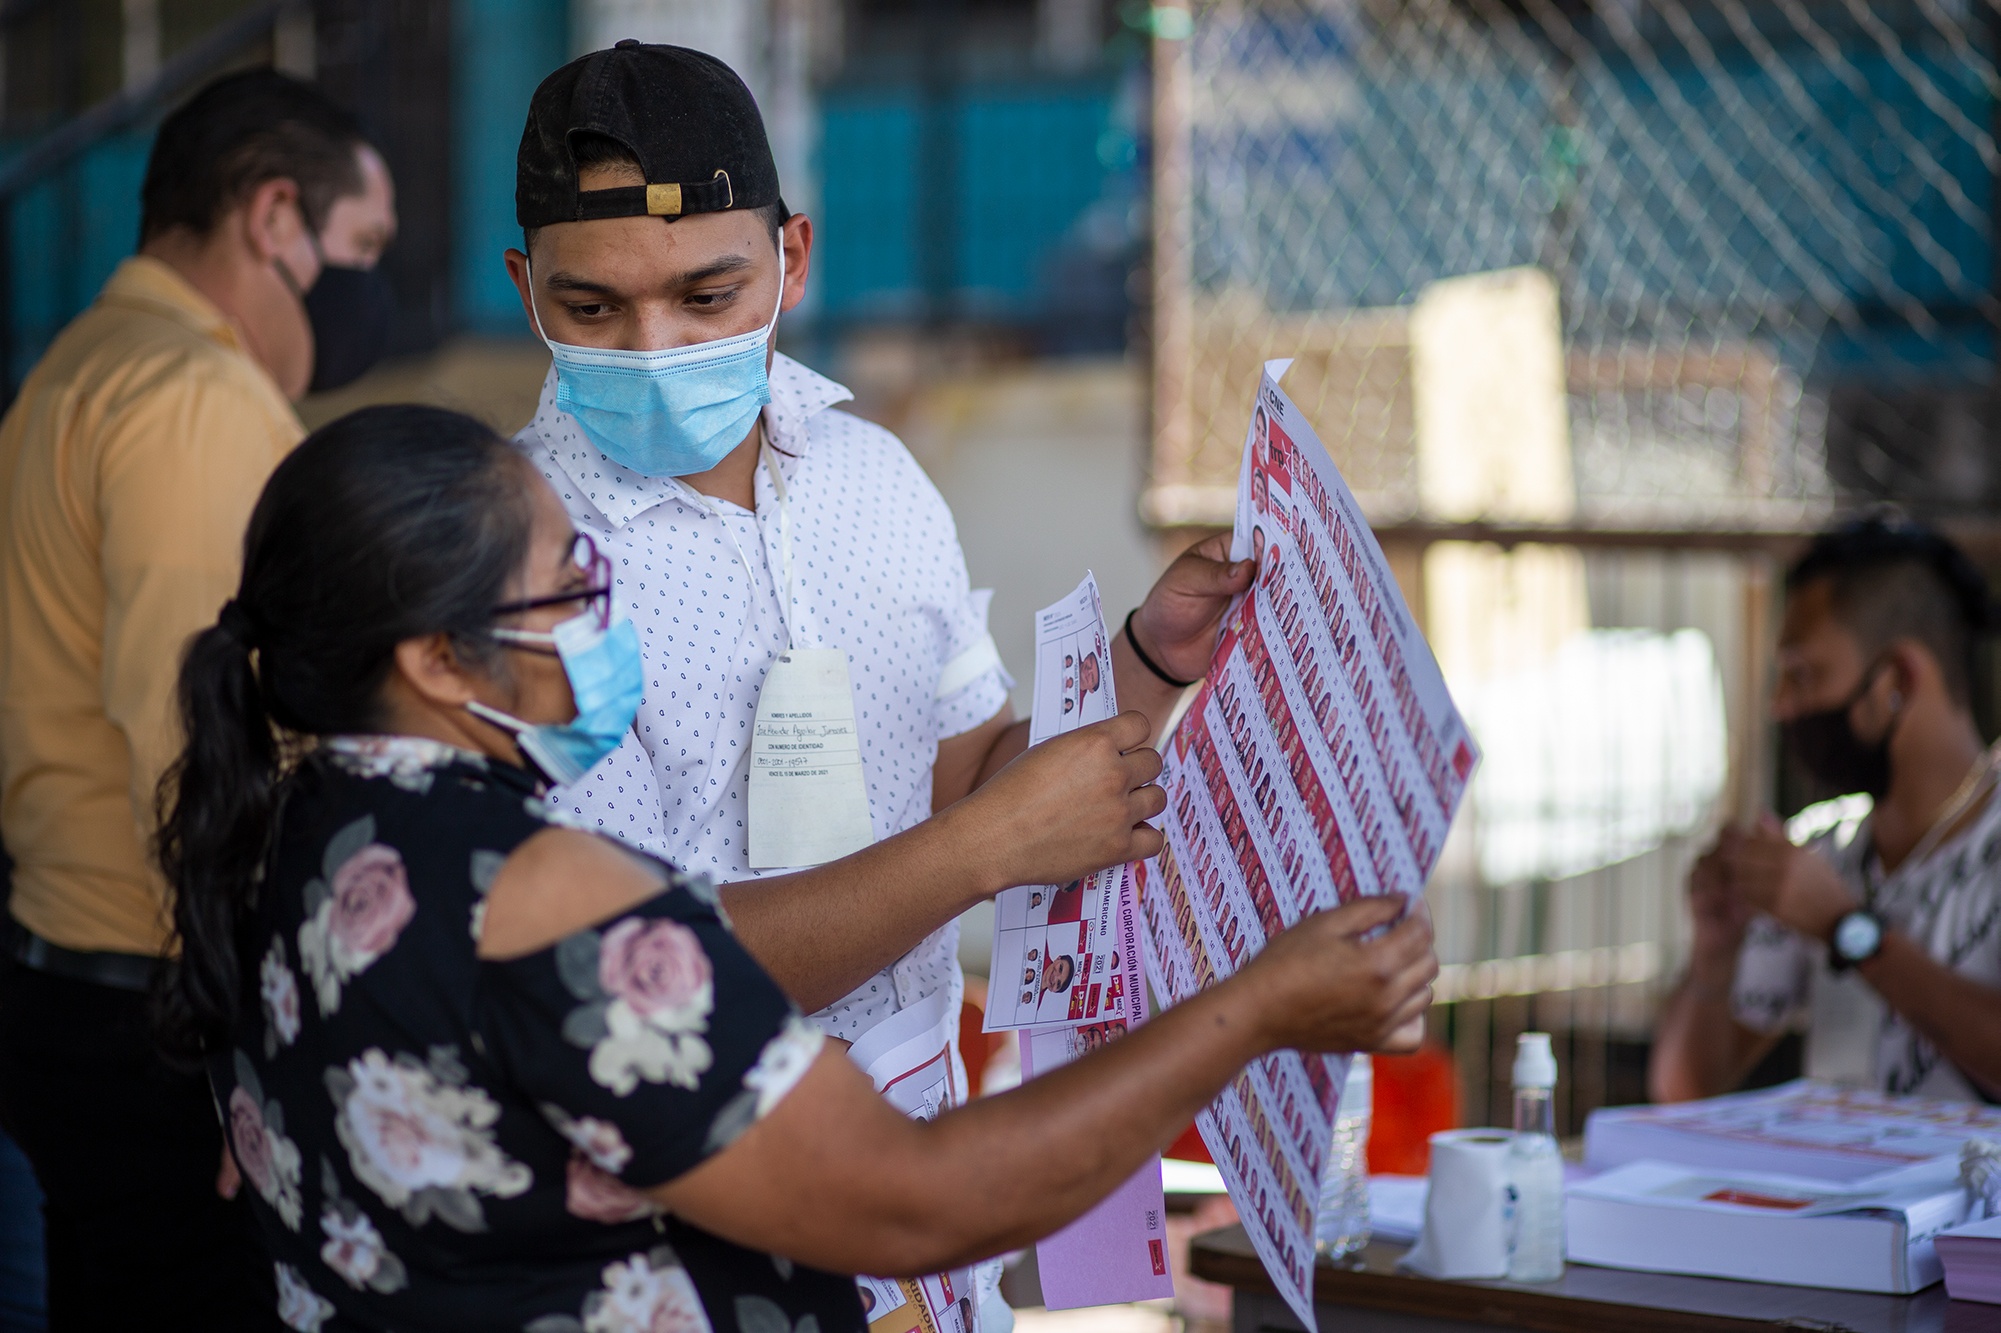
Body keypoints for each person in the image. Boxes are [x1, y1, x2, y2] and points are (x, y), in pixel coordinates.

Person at [154, 404, 1437, 1330]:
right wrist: (1259, 1010)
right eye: (568, 587)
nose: (605, 614)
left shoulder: (292, 834)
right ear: (436, 659)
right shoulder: (536, 891)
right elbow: (919, 1204)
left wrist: (1141, 676)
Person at [505, 44, 1248, 1327]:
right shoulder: (510, 559)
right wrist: (979, 850)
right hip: (696, 1240)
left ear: (795, 258)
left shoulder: (875, 481)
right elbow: (644, 977)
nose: (655, 346)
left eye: (707, 292)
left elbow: (971, 786)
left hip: (921, 1202)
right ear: (526, 288)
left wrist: (1147, 663)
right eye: (593, 310)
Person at [0, 69, 395, 1326]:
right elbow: (199, 740)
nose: (376, 286)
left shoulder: (81, 365)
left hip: (76, 977)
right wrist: (253, 1045)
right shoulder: (195, 400)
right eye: (365, 248)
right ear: (274, 219)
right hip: (164, 1015)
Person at [1651, 515, 2001, 1104]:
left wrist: (1846, 930)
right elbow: (1684, 1094)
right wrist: (1714, 955)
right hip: (1840, 1193)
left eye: (1803, 675)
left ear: (1898, 679)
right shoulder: (1823, 847)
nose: (1780, 706)